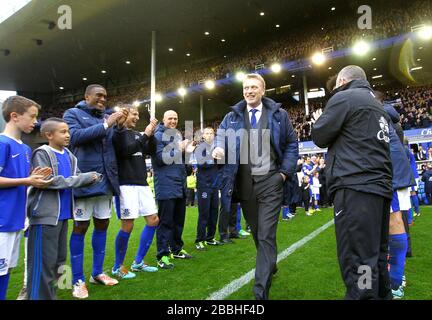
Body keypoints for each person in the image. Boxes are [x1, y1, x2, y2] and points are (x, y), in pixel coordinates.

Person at [213, 73, 298, 300]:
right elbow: (220, 136)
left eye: (253, 87)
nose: (249, 91)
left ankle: (260, 294)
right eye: (245, 88)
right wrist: (218, 148)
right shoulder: (231, 117)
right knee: (258, 232)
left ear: (262, 90)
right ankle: (271, 264)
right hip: (244, 184)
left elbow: (291, 143)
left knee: (266, 235)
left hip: (271, 181)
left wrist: (283, 174)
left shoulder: (279, 115)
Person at [311, 65, 393, 300]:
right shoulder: (378, 106)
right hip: (379, 188)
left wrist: (318, 121)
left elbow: (320, 136)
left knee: (359, 260)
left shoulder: (344, 97)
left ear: (343, 81)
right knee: (376, 257)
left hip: (355, 187)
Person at [63, 84, 128, 299]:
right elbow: (74, 138)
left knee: (103, 224)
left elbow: (118, 146)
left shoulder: (107, 116)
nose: (103, 99)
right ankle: (77, 280)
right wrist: (107, 123)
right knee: (80, 227)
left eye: (105, 96)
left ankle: (97, 273)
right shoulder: (72, 113)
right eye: (98, 95)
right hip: (85, 179)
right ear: (87, 96)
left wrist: (118, 127)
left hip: (106, 179)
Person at [26, 118, 100, 300]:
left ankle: (51, 296)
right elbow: (49, 181)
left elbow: (75, 177)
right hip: (44, 217)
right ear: (48, 135)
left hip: (63, 216)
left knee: (58, 263)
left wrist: (92, 176)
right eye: (63, 132)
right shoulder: (42, 153)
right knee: (42, 264)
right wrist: (84, 178)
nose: (68, 135)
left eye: (68, 131)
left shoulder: (69, 155)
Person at [0, 96, 53, 300]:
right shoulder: (3, 143)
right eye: (32, 117)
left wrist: (35, 178)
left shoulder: (24, 148)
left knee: (6, 270)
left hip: (16, 219)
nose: (35, 121)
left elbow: (26, 180)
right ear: (14, 116)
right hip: (2, 220)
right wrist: (27, 180)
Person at [111, 105, 159, 280]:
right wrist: (146, 135)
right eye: (134, 114)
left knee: (154, 220)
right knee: (128, 225)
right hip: (126, 184)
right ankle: (117, 266)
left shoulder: (139, 135)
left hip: (142, 183)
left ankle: (138, 262)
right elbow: (126, 151)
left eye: (138, 114)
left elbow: (151, 151)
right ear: (124, 115)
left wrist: (150, 135)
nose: (137, 117)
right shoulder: (118, 134)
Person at [152, 110, 193, 269]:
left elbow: (179, 161)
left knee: (178, 221)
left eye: (176, 118)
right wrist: (180, 148)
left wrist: (187, 155)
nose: (173, 121)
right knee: (165, 222)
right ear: (163, 120)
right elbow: (161, 159)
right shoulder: (157, 136)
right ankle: (162, 255)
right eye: (170, 118)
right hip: (166, 184)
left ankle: (176, 249)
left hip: (179, 184)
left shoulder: (176, 135)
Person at [194, 127, 222, 250]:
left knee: (214, 211)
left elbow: (221, 164)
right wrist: (214, 156)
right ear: (203, 136)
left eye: (211, 133)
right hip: (204, 185)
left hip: (214, 184)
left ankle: (210, 237)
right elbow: (202, 164)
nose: (209, 135)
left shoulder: (217, 148)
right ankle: (199, 239)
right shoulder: (200, 148)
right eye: (207, 133)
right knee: (204, 212)